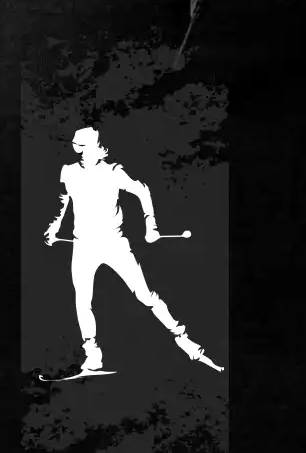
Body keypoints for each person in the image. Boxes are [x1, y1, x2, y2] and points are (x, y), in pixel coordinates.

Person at [44, 126, 223, 374]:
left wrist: (151, 225)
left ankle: (184, 339)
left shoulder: (113, 172)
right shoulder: (69, 172)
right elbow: (63, 199)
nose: (80, 151)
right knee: (82, 300)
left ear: (98, 147)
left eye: (84, 147)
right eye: (77, 146)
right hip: (83, 245)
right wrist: (53, 226)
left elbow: (142, 190)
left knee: (145, 295)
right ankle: (92, 353)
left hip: (114, 244)